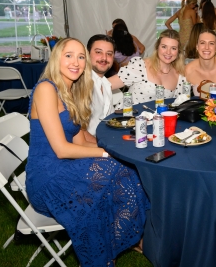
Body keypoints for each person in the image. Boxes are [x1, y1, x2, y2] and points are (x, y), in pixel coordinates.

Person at [25, 38, 150, 266]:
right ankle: (100, 255)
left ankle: (111, 244)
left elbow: (81, 139)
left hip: (65, 167)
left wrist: (119, 150)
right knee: (114, 172)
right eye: (69, 55)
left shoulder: (71, 90)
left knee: (129, 168)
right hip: (47, 179)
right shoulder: (46, 89)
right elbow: (62, 150)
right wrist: (106, 155)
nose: (76, 62)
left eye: (81, 57)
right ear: (56, 59)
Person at [109, 29, 187, 107]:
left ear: (178, 51)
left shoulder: (180, 76)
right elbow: (105, 85)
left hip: (157, 118)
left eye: (173, 48)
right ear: (157, 47)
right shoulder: (141, 66)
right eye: (164, 47)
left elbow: (177, 105)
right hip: (128, 116)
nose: (168, 52)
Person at [85, 34, 115, 142]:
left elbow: (110, 120)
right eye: (98, 52)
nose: (104, 58)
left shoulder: (105, 84)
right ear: (87, 54)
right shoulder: (81, 84)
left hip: (105, 139)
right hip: (88, 147)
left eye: (109, 54)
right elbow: (76, 131)